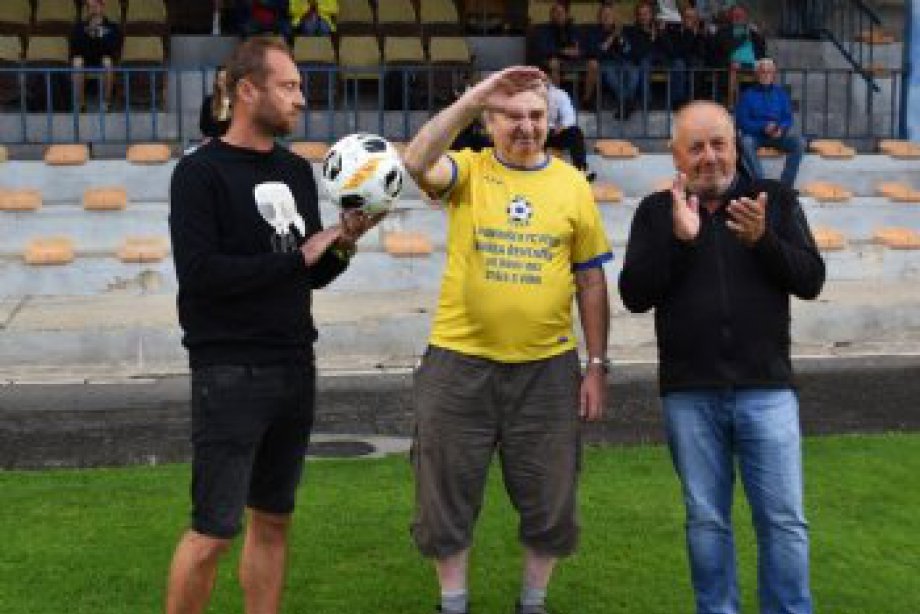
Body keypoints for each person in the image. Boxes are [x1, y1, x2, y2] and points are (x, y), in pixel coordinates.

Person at [165, 37, 379, 614]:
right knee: (212, 531)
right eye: (288, 86)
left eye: (300, 87)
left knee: (274, 520)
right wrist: (300, 256)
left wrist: (343, 244)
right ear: (246, 90)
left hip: (294, 365)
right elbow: (202, 275)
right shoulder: (198, 173)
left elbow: (310, 275)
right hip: (229, 370)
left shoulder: (295, 171)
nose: (300, 99)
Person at [402, 66, 613, 614]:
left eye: (536, 116)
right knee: (444, 491)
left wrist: (596, 365)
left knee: (551, 496)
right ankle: (453, 604)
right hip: (458, 362)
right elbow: (414, 163)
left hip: (548, 368)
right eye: (512, 116)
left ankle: (532, 604)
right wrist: (473, 97)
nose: (526, 126)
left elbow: (591, 280)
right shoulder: (468, 170)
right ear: (488, 123)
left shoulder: (572, 184)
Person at [618, 100, 824, 614]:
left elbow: (810, 279)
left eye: (718, 144)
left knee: (783, 520)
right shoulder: (655, 212)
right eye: (696, 147)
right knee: (707, 521)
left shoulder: (773, 201)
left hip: (767, 389)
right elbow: (635, 295)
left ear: (735, 147)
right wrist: (680, 242)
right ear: (676, 155)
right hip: (690, 393)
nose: (709, 157)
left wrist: (763, 240)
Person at [735, 58, 807, 188]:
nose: (766, 75)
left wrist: (781, 128)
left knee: (800, 142)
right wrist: (763, 127)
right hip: (756, 136)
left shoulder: (781, 94)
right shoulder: (747, 95)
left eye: (769, 72)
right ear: (757, 74)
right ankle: (762, 183)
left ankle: (784, 186)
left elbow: (788, 117)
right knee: (746, 142)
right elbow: (742, 121)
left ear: (774, 74)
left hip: (777, 135)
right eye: (763, 71)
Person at [531, 2, 590, 104]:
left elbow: (584, 46)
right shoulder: (544, 29)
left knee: (593, 64)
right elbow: (544, 49)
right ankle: (557, 101)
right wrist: (563, 51)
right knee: (554, 63)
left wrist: (578, 51)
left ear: (566, 15)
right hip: (552, 59)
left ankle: (586, 100)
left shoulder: (573, 28)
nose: (559, 15)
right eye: (556, 13)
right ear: (551, 15)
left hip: (574, 60)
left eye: (561, 13)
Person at [69, 0, 122, 111]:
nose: (93, 9)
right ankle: (80, 104)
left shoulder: (112, 27)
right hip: (85, 58)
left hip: (104, 58)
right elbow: (75, 47)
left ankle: (106, 103)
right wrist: (88, 34)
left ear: (102, 7)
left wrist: (99, 35)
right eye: (90, 6)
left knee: (107, 61)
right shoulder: (80, 27)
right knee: (77, 61)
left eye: (96, 5)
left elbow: (114, 47)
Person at [663, 4, 711, 107]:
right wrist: (689, 32)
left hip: (697, 64)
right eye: (686, 17)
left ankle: (692, 101)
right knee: (679, 64)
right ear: (682, 19)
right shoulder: (674, 32)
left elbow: (702, 53)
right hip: (677, 62)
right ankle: (678, 101)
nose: (689, 20)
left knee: (696, 63)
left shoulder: (703, 34)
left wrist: (696, 34)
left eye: (692, 17)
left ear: (697, 19)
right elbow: (677, 52)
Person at [546, 82, 595, 181]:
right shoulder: (525, 94)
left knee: (575, 132)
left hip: (553, 131)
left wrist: (561, 126)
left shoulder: (558, 94)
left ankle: (581, 169)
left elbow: (569, 117)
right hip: (534, 133)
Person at [198, 66, 231, 140]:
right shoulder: (209, 101)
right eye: (221, 80)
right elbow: (203, 126)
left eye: (226, 79)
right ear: (217, 82)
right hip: (214, 141)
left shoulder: (237, 102)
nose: (224, 83)